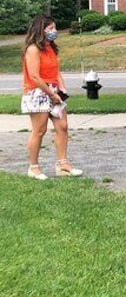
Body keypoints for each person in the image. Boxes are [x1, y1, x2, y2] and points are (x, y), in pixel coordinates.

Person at [21, 14, 82, 180]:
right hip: (37, 92)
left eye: (54, 28)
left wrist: (61, 89)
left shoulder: (51, 48)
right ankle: (33, 167)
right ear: (41, 30)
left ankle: (63, 164)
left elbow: (56, 71)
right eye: (51, 28)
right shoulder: (33, 49)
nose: (54, 31)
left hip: (54, 91)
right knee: (39, 130)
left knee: (62, 126)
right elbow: (34, 76)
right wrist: (51, 94)